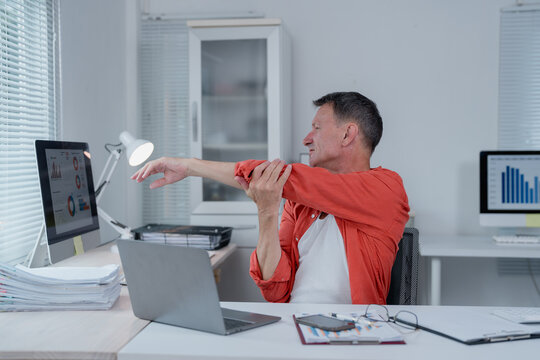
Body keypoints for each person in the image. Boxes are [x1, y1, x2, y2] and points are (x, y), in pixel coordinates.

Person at [131, 91, 409, 305]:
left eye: (317, 127)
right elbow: (275, 291)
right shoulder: (300, 204)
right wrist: (266, 212)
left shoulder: (386, 188)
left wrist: (190, 166)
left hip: (356, 338)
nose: (306, 139)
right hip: (292, 329)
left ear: (348, 134)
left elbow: (283, 177)